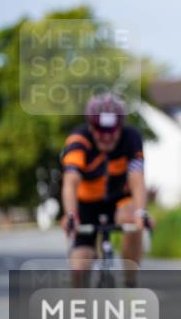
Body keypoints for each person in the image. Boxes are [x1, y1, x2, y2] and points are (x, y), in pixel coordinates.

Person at [61, 92, 152, 288]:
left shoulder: (131, 137)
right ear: (91, 127)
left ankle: (130, 282)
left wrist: (140, 212)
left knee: (133, 221)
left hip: (119, 199)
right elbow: (71, 181)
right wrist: (70, 214)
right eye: (100, 130)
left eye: (112, 131)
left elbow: (137, 178)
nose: (106, 137)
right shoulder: (79, 139)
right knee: (80, 265)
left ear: (120, 127)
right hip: (86, 204)